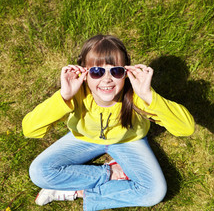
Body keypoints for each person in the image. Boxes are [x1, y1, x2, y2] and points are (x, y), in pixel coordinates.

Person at [22, 34, 195, 210]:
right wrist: (63, 96)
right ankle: (111, 172)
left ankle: (75, 192)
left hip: (129, 141)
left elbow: (186, 128)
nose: (107, 79)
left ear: (126, 73)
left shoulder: (136, 95)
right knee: (39, 172)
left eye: (116, 71)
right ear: (84, 73)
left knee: (154, 192)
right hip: (83, 138)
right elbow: (30, 129)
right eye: (97, 72)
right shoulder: (77, 93)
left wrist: (149, 96)